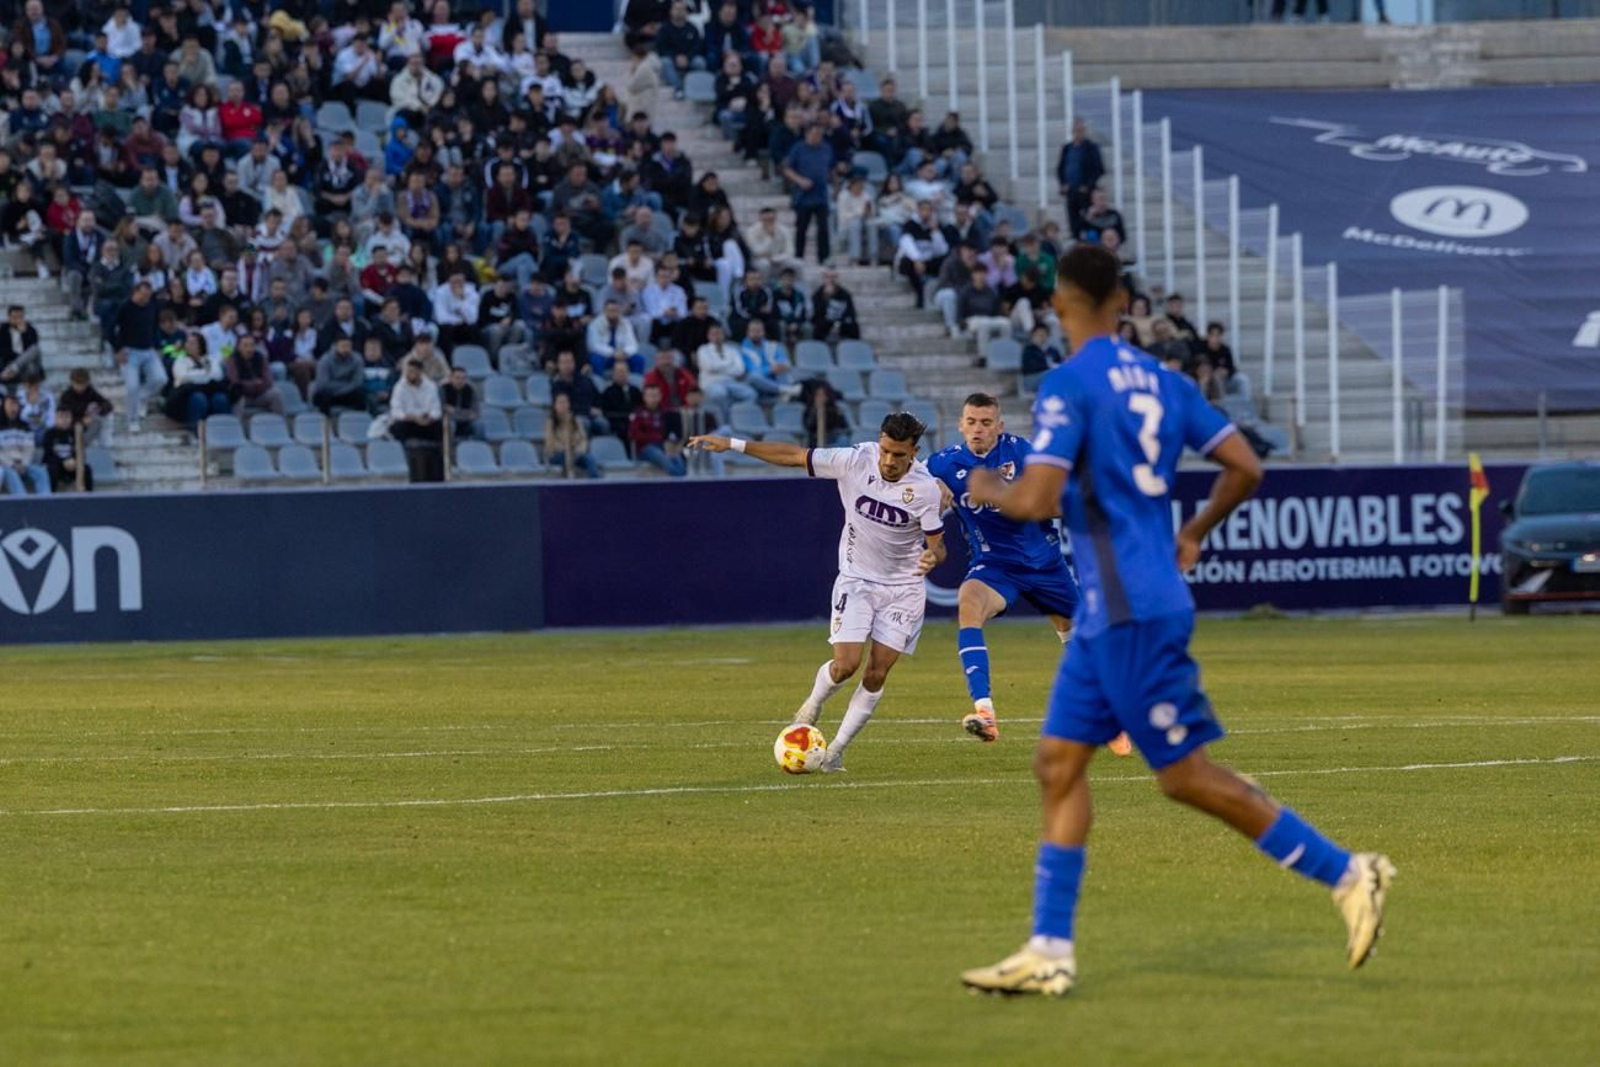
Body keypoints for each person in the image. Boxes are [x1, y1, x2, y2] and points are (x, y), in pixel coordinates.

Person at [958, 244, 1395, 997]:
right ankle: (1049, 949)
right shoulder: (1165, 379)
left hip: (1129, 608)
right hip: (1111, 608)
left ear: (1059, 305)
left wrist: (984, 487)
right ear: (1120, 301)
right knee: (1057, 764)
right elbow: (1246, 466)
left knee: (1184, 775)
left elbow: (1036, 498)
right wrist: (1193, 533)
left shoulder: (1070, 382)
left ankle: (1349, 873)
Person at [688, 413, 946, 772]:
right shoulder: (853, 461)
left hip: (904, 589)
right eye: (885, 451)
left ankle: (835, 751)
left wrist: (932, 557)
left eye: (899, 455)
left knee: (876, 673)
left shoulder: (926, 489)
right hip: (857, 579)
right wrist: (733, 444)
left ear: (914, 452)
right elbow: (794, 456)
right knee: (845, 666)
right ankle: (812, 705)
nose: (889, 461)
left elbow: (938, 546)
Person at [924, 393, 1131, 751]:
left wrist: (1014, 499)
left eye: (986, 422)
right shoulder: (942, 464)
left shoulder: (1025, 454)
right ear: (960, 425)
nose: (978, 429)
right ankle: (985, 711)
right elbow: (904, 486)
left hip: (1045, 565)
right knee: (968, 603)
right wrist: (929, 487)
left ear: (999, 426)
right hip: (995, 565)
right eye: (971, 422)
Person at [780, 123, 833, 264]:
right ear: (807, 134)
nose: (817, 137)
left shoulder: (826, 148)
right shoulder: (798, 149)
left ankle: (824, 257)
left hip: (821, 196)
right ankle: (799, 257)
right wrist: (800, 180)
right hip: (803, 196)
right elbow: (787, 169)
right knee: (801, 228)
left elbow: (831, 167)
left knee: (823, 228)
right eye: (814, 134)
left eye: (820, 135)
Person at [1056, 118, 1104, 239]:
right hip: (1070, 190)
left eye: (1080, 130)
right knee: (1073, 220)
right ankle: (1076, 240)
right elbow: (1060, 168)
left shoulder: (1091, 148)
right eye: (1075, 131)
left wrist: (1087, 186)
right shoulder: (1067, 148)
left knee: (1087, 220)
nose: (1078, 133)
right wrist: (1063, 184)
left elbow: (1099, 169)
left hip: (1085, 192)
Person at [629, 383, 687, 477]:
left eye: (656, 395)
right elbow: (633, 434)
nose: (653, 399)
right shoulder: (638, 413)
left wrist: (672, 443)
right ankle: (679, 481)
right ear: (644, 397)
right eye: (650, 396)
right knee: (663, 459)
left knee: (679, 457)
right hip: (646, 448)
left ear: (660, 396)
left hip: (665, 445)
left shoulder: (666, 412)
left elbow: (674, 431)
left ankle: (682, 479)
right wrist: (657, 438)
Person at [0, 393, 49, 495]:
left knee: (41, 472)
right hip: (5, 465)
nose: (13, 408)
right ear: (4, 406)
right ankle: (22, 501)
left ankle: (45, 500)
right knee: (12, 474)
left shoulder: (25, 426)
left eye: (16, 405)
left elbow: (29, 448)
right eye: (10, 404)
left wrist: (24, 464)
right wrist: (12, 464)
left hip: (23, 464)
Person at [545, 391, 601, 478]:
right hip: (557, 454)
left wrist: (580, 449)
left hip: (575, 453)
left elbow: (583, 439)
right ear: (555, 405)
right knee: (567, 456)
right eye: (560, 402)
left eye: (565, 402)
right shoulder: (551, 423)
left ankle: (595, 480)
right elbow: (550, 442)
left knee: (589, 458)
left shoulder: (575, 420)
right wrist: (568, 449)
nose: (563, 404)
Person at [389, 357, 442, 444]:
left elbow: (436, 410)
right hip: (409, 422)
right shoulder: (399, 387)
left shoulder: (431, 386)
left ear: (420, 372)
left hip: (426, 422)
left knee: (441, 427)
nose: (408, 374)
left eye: (411, 371)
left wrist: (430, 418)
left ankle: (439, 452)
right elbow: (395, 411)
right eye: (407, 371)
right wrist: (410, 417)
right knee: (397, 427)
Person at [40, 408, 90, 492]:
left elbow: (80, 453)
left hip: (72, 465)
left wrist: (74, 461)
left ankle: (89, 496)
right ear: (55, 419)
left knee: (87, 469)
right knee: (51, 470)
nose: (64, 420)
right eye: (61, 417)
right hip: (56, 464)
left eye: (67, 417)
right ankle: (51, 496)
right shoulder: (49, 434)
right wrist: (63, 462)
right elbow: (48, 455)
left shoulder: (75, 433)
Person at [600, 360, 644, 440]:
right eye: (618, 372)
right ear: (613, 374)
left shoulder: (635, 391)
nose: (621, 374)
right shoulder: (608, 392)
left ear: (628, 373)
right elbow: (607, 412)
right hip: (617, 424)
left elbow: (641, 407)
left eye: (623, 371)